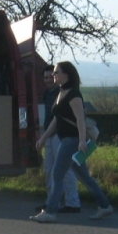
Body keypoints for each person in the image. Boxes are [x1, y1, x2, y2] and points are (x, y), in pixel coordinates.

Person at [30, 61, 113, 223]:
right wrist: (44, 137)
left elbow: (80, 119)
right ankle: (105, 206)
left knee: (57, 174)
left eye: (56, 72)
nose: (54, 75)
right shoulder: (61, 93)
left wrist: (82, 141)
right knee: (85, 177)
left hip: (72, 141)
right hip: (66, 139)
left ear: (66, 74)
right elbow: (56, 119)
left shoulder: (74, 94)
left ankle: (50, 211)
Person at [38, 64, 80, 213]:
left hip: (59, 135)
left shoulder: (62, 92)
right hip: (49, 134)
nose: (49, 80)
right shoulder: (47, 93)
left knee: (64, 170)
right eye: (46, 78)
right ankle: (51, 202)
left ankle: (72, 202)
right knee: (49, 169)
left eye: (51, 76)